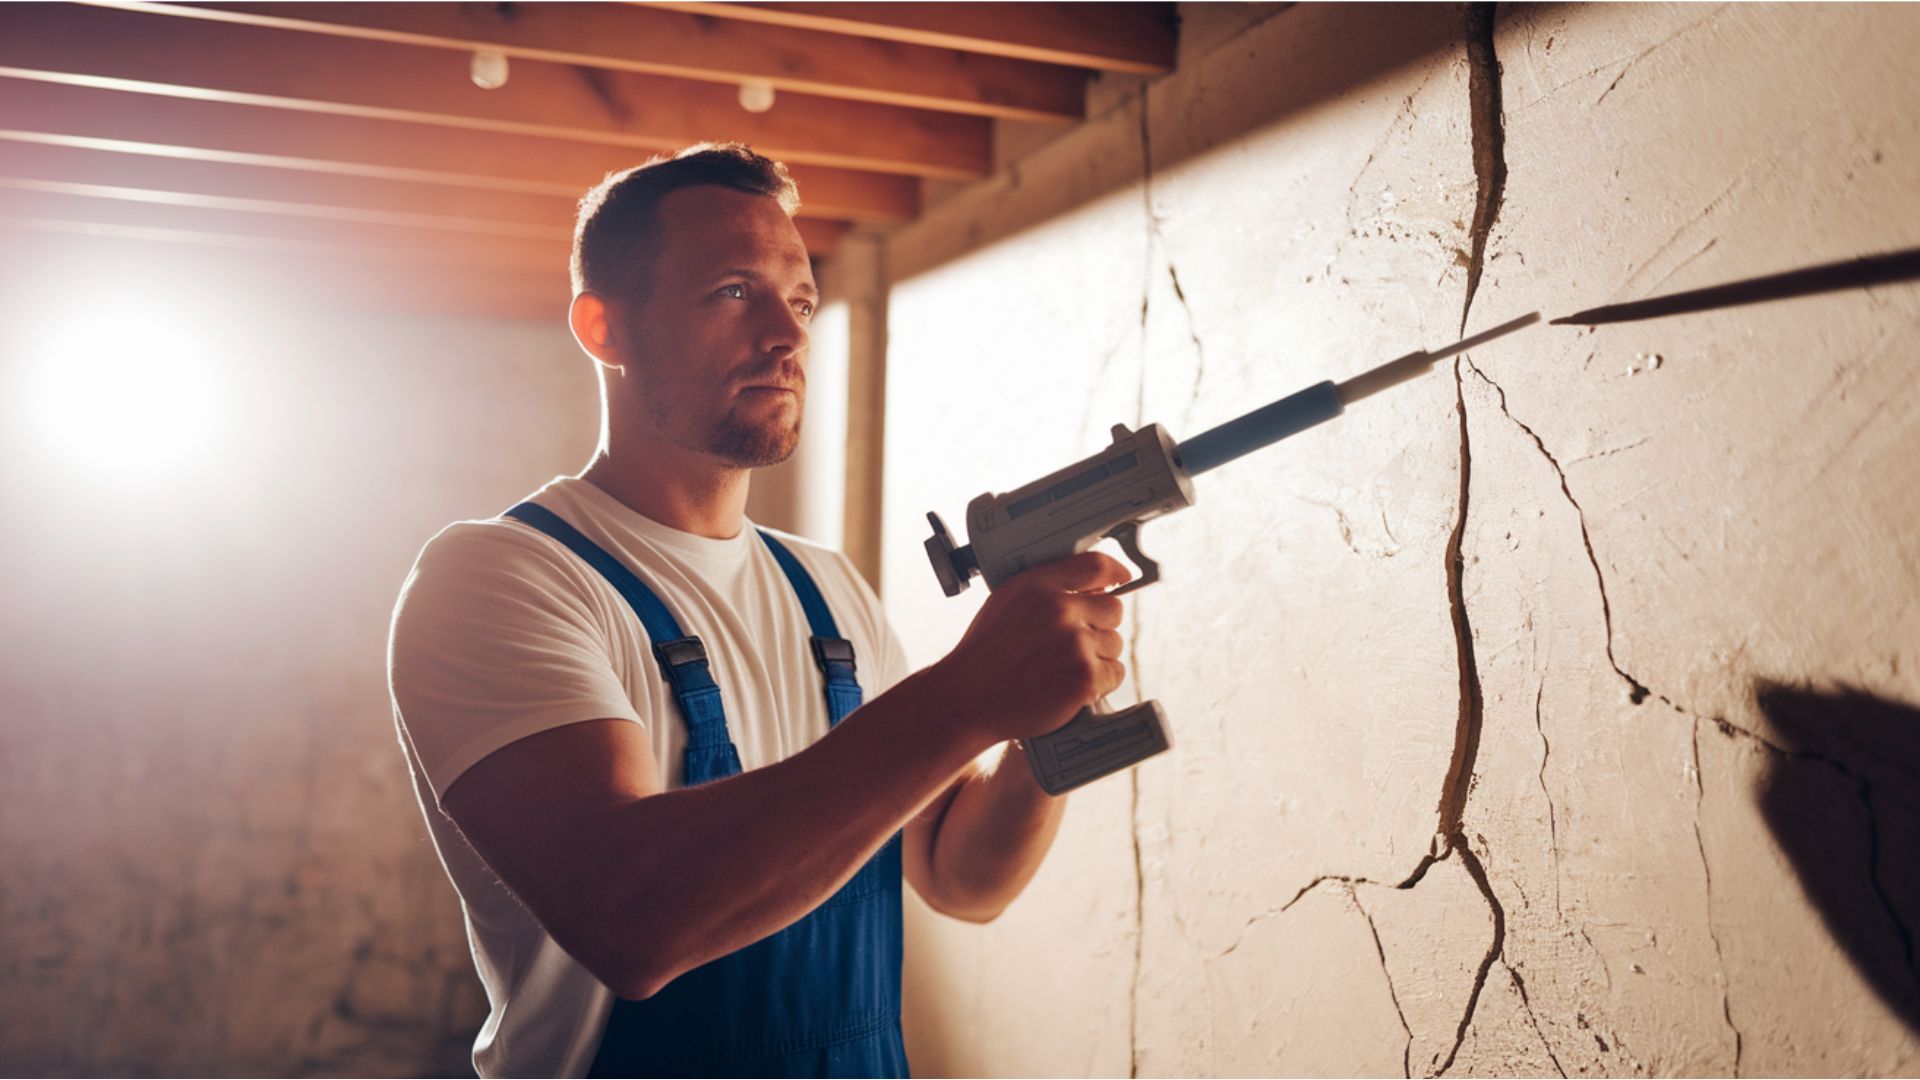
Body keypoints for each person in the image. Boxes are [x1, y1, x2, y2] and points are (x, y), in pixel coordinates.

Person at [387, 143, 1130, 1079]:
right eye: (734, 292)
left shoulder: (829, 590)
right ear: (602, 327)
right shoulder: (502, 578)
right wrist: (967, 697)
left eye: (803, 300)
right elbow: (633, 922)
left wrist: (1044, 719)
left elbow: (960, 875)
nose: (788, 334)